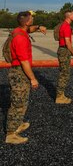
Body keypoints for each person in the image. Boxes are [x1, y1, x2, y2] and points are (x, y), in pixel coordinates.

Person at [5, 10, 47, 144]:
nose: (33, 19)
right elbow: (24, 62)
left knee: (22, 101)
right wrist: (33, 79)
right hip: (19, 72)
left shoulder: (19, 31)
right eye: (31, 18)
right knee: (17, 103)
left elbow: (30, 29)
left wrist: (39, 27)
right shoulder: (21, 38)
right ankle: (11, 134)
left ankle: (18, 124)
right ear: (27, 21)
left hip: (19, 71)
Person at [56, 10, 73, 104]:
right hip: (64, 51)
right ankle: (59, 97)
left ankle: (61, 94)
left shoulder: (64, 25)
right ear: (69, 16)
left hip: (63, 50)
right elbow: (67, 42)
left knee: (64, 73)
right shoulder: (66, 26)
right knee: (64, 74)